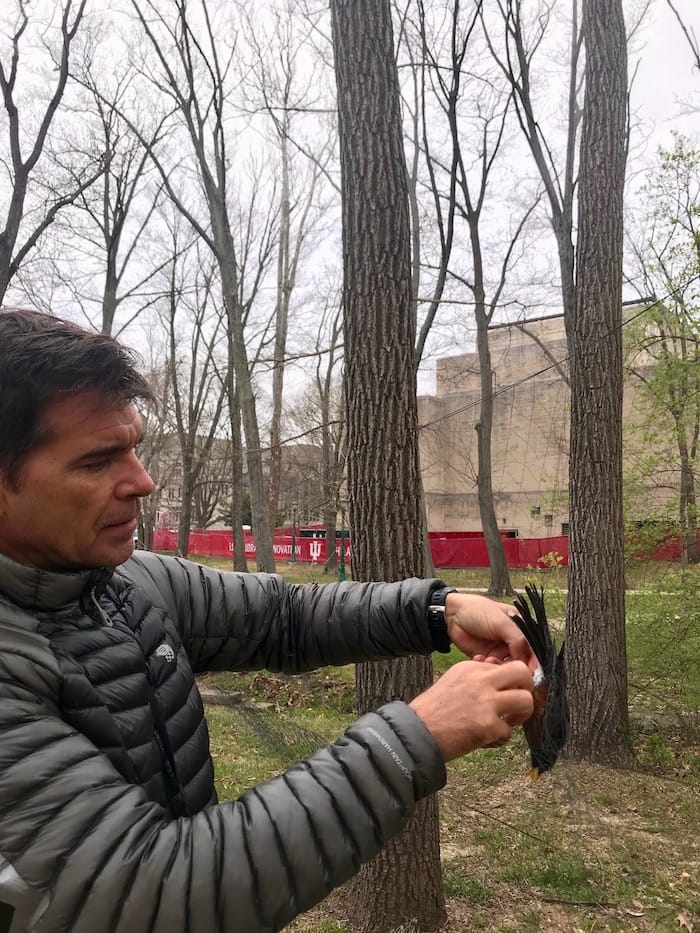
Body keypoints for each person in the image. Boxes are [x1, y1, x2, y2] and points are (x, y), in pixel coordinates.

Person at [0, 307, 536, 933]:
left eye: (135, 449)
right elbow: (153, 890)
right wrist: (415, 738)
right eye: (98, 461)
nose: (141, 482)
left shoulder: (126, 586)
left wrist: (438, 611)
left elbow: (284, 616)